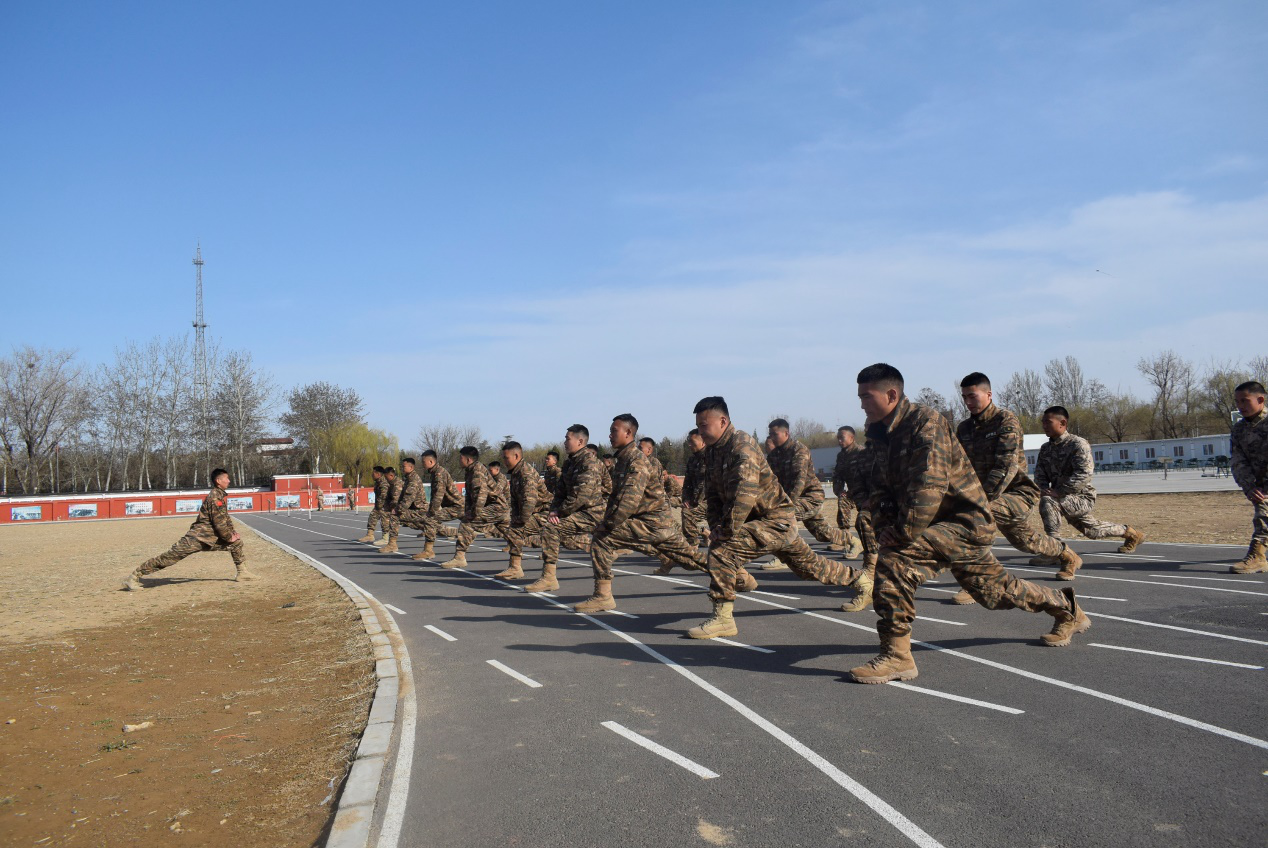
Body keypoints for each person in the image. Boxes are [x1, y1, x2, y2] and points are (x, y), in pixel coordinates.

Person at [847, 364, 1089, 684]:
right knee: (995, 592)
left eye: (867, 396)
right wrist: (884, 526)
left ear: (891, 394)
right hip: (937, 524)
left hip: (965, 519)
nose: (862, 403)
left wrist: (903, 533)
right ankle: (1065, 606)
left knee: (895, 561)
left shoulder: (926, 423)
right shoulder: (878, 431)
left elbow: (928, 486)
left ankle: (897, 657)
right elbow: (880, 486)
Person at [687, 397, 872, 639]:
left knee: (723, 551)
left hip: (775, 520)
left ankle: (723, 618)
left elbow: (745, 494)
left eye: (704, 425)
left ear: (722, 421)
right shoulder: (713, 452)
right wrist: (716, 526)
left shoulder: (742, 446)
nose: (701, 431)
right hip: (764, 522)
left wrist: (727, 531)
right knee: (810, 566)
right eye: (698, 426)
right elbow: (712, 494)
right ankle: (862, 581)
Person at [954, 373, 1083, 597]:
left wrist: (980, 499)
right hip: (984, 496)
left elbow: (1006, 467)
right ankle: (1066, 554)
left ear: (988, 394)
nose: (968, 402)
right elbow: (959, 465)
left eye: (972, 396)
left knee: (978, 520)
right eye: (964, 397)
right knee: (1026, 541)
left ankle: (975, 582)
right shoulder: (964, 429)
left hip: (1017, 492)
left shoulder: (1006, 421)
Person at [575, 414, 702, 613]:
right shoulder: (623, 460)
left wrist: (607, 524)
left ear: (628, 433)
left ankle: (603, 596)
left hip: (653, 523)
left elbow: (627, 502)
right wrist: (607, 520)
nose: (609, 435)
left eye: (613, 431)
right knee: (689, 560)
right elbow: (616, 498)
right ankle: (735, 573)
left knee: (602, 538)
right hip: (647, 522)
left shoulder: (636, 461)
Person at [1034, 406, 1144, 557]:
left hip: (1081, 497)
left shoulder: (1077, 444)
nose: (1044, 425)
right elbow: (1040, 474)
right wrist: (1043, 488)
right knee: (1093, 531)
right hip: (1061, 497)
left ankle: (1055, 551)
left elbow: (1084, 473)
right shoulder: (1046, 448)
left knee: (1049, 502)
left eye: (1048, 422)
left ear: (1062, 423)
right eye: (1043, 422)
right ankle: (1131, 534)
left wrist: (1059, 492)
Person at [124, 468, 254, 589]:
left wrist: (232, 533)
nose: (229, 481)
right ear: (218, 481)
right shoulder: (215, 497)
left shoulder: (219, 496)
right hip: (196, 538)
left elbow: (224, 518)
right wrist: (228, 536)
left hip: (209, 539)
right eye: (227, 478)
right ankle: (134, 577)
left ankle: (242, 573)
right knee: (169, 558)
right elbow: (218, 522)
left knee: (236, 543)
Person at [531, 425, 606, 592]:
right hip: (576, 511)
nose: (564, 442)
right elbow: (560, 491)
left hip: (591, 512)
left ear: (580, 441)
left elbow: (581, 495)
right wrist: (554, 509)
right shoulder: (569, 463)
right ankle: (594, 545)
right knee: (558, 533)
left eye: (567, 438)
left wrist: (560, 512)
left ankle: (549, 578)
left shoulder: (589, 461)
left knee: (552, 529)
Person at [766, 419, 850, 557]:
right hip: (794, 499)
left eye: (775, 434)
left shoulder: (799, 450)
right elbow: (771, 481)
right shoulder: (775, 455)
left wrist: (787, 503)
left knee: (781, 517)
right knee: (821, 533)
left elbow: (799, 481)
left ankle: (783, 557)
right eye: (770, 434)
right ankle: (852, 541)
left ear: (786, 433)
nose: (772, 438)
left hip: (811, 497)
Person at [832, 426, 879, 612]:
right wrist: (839, 491)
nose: (839, 441)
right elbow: (837, 476)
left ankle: (874, 572)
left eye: (842, 438)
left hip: (873, 497)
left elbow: (875, 478)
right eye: (838, 438)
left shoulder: (862, 452)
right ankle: (850, 541)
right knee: (862, 521)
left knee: (867, 523)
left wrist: (873, 497)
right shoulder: (841, 456)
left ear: (852, 438)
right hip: (856, 494)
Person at [491, 442, 551, 580]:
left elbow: (529, 501)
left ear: (516, 455)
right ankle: (515, 566)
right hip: (534, 512)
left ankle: (516, 568)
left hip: (545, 511)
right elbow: (516, 500)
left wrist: (520, 520)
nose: (504, 462)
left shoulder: (526, 473)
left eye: (506, 458)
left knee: (514, 531)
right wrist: (515, 517)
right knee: (513, 529)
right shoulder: (516, 473)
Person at [441, 448, 502, 569]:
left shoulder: (477, 471)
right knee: (511, 533)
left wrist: (474, 513)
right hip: (490, 506)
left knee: (467, 524)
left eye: (461, 458)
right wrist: (468, 511)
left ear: (468, 460)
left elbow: (481, 494)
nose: (459, 460)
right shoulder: (470, 470)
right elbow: (469, 495)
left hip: (496, 506)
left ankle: (460, 558)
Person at [1230, 380, 1268, 573]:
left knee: (1264, 515)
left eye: (1245, 401)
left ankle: (1258, 557)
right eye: (1237, 402)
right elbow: (1238, 460)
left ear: (1260, 399)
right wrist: (1249, 486)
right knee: (1264, 513)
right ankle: (1259, 556)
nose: (1240, 406)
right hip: (1258, 486)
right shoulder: (1239, 429)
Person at [413, 450, 464, 561]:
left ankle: (428, 551)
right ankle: (457, 533)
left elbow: (438, 495)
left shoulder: (439, 473)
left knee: (430, 520)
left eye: (423, 461)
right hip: (452, 506)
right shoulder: (435, 472)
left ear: (431, 461)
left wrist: (431, 511)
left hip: (457, 506)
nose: (422, 464)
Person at [679, 429, 710, 549]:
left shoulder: (711, 457)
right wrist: (686, 499)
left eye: (692, 442)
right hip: (700, 501)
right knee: (686, 514)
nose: (689, 445)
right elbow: (687, 483)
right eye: (689, 442)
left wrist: (694, 502)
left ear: (703, 442)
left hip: (713, 500)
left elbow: (704, 484)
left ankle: (693, 545)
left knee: (688, 513)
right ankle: (699, 539)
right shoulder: (692, 460)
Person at [391, 458, 429, 554]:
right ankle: (455, 533)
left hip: (420, 510)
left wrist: (397, 509)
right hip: (415, 510)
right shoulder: (408, 478)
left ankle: (392, 544)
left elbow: (408, 499)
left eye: (404, 466)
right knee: (430, 527)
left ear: (411, 467)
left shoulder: (413, 480)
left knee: (395, 516)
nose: (402, 468)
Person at [356, 466, 390, 544]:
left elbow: (383, 496)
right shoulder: (377, 482)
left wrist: (379, 507)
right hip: (380, 505)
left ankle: (386, 538)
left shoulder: (383, 483)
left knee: (385, 520)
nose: (372, 475)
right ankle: (370, 535)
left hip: (386, 505)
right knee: (372, 516)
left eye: (373, 473)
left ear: (378, 474)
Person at [378, 467, 403, 553]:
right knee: (385, 514)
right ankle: (389, 541)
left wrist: (393, 508)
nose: (385, 478)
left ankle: (446, 531)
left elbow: (396, 499)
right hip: (400, 507)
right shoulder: (390, 483)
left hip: (408, 508)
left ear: (391, 475)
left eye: (386, 476)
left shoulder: (397, 484)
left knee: (423, 523)